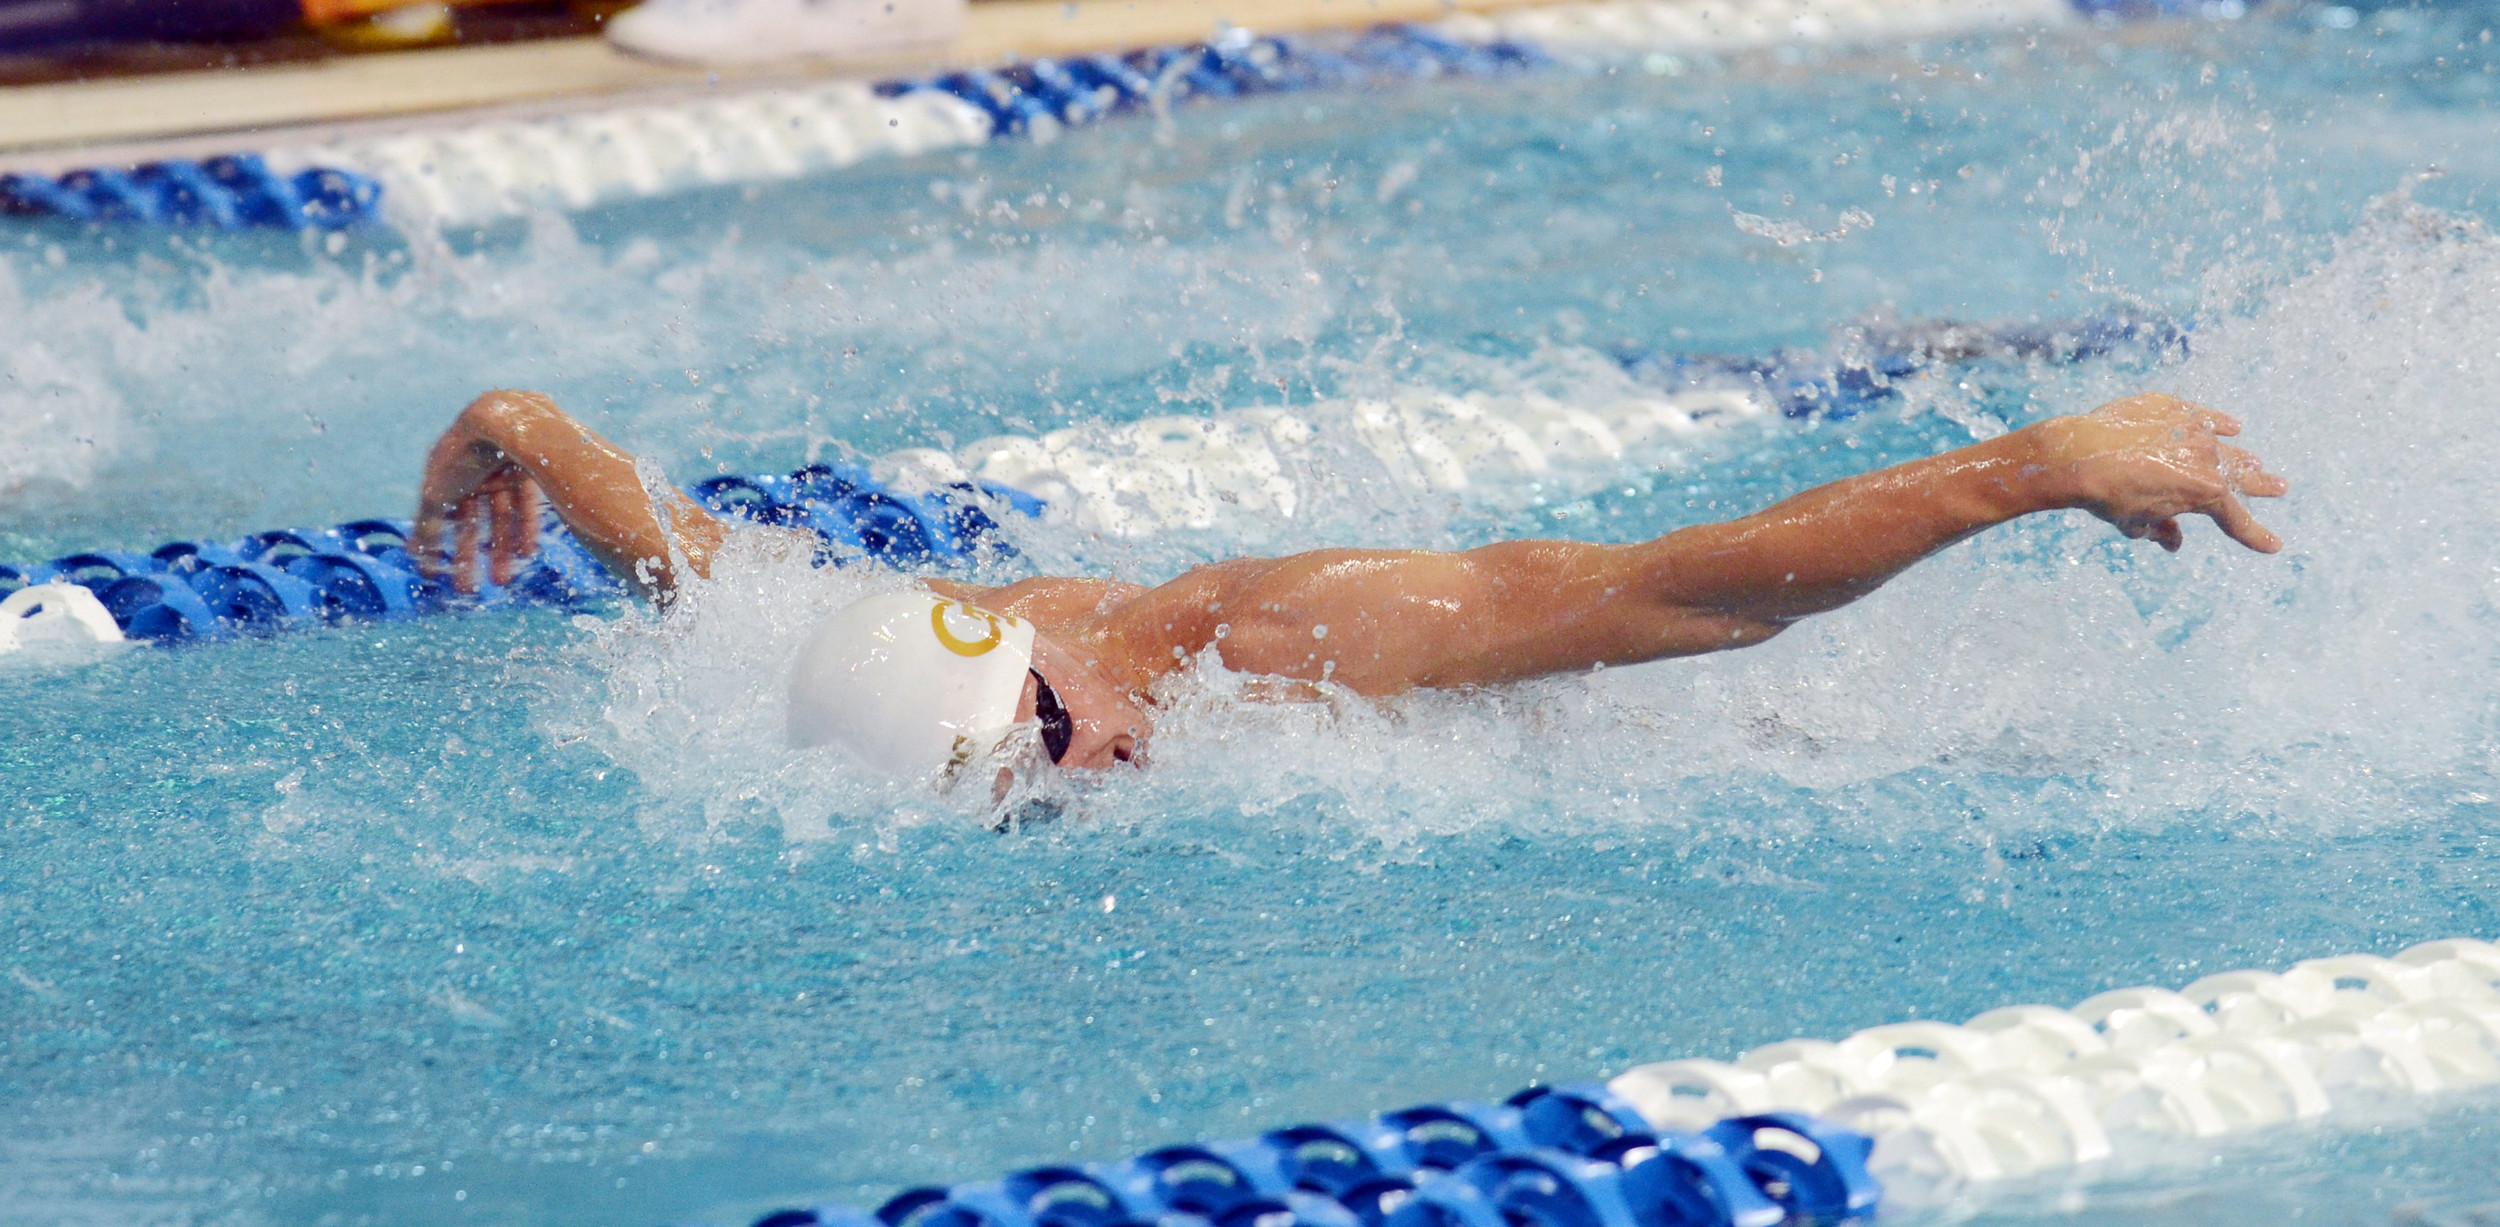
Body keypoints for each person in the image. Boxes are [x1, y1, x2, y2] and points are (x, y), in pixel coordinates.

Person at [413, 388, 2287, 783]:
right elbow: (712, 572)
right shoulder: (913, 659)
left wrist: (2023, 472)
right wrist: (524, 429)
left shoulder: (1281, 647)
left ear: (1043, 652)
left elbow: (1675, 601)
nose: (1084, 771)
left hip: (1793, 740)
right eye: (1018, 790)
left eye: (1051, 736)